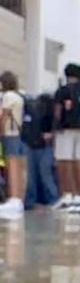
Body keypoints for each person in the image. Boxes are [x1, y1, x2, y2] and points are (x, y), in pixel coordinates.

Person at [53, 63, 80, 212]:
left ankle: (68, 195)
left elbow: (58, 111)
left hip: (65, 129)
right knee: (78, 161)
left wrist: (55, 127)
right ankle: (79, 195)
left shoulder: (63, 91)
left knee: (64, 161)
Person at [0, 71, 28, 219]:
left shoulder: (8, 96)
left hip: (9, 133)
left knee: (11, 165)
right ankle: (18, 198)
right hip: (18, 133)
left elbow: (4, 117)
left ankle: (13, 198)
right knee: (18, 166)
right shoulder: (19, 96)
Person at [24, 92, 59, 208]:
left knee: (34, 175)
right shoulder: (51, 112)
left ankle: (32, 200)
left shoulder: (30, 110)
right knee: (44, 173)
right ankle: (52, 198)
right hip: (43, 145)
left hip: (34, 144)